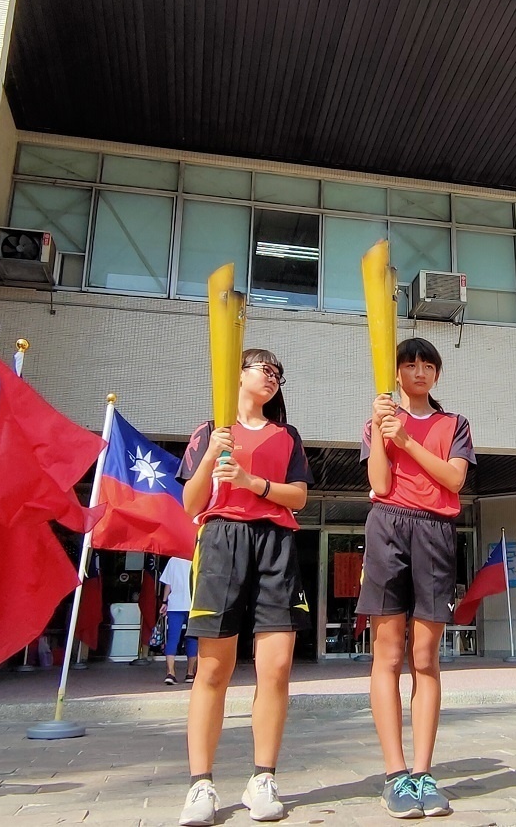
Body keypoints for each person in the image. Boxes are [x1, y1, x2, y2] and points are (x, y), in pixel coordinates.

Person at [177, 349, 314, 825]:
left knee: (275, 668)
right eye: (265, 370)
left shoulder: (286, 436)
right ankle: (201, 784)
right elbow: (190, 502)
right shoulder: (209, 431)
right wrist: (213, 453)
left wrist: (255, 483)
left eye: (279, 374)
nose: (273, 379)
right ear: (238, 375)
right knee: (214, 668)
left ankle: (263, 778)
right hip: (221, 542)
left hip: (276, 542)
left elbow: (298, 495)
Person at [359, 337, 476, 819]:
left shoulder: (455, 424)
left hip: (435, 530)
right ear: (398, 372)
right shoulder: (377, 424)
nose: (420, 372)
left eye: (428, 365)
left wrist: (407, 439)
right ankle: (395, 774)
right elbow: (381, 484)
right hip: (388, 525)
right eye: (410, 365)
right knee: (387, 654)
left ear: (438, 374)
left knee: (425, 656)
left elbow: (454, 480)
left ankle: (424, 772)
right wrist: (386, 434)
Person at [160, 556, 198, 686]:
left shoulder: (172, 560)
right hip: (193, 605)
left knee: (172, 639)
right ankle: (190, 673)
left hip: (175, 605)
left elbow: (168, 584)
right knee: (192, 639)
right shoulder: (197, 557)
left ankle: (170, 673)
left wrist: (164, 602)